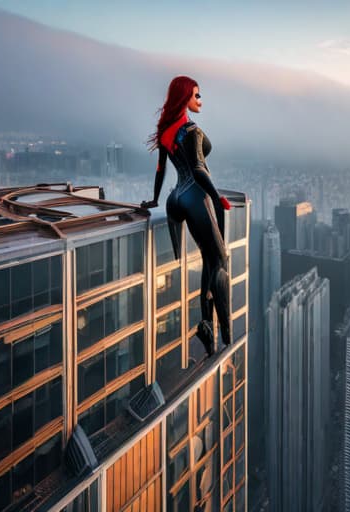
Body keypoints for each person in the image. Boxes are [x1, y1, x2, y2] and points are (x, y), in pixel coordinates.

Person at [141, 76, 231, 356]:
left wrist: (155, 199)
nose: (200, 100)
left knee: (208, 257)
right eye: (196, 95)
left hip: (174, 199)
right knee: (220, 259)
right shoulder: (191, 130)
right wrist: (217, 198)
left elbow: (160, 170)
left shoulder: (167, 129)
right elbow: (199, 169)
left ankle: (207, 325)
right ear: (185, 99)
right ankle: (223, 332)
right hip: (195, 195)